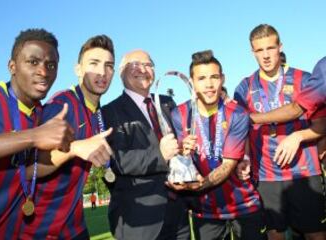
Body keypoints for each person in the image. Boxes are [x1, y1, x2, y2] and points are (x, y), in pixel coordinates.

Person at [0, 29, 75, 239]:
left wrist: (72, 150)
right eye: (33, 62)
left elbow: (27, 171)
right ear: (12, 67)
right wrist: (34, 136)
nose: (43, 71)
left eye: (51, 65)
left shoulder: (39, 113)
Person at [234, 24, 326, 239]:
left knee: (316, 234)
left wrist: (300, 137)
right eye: (259, 50)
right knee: (275, 235)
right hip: (266, 176)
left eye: (270, 48)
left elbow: (322, 125)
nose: (266, 56)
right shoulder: (244, 87)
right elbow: (240, 132)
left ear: (280, 47)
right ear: (252, 52)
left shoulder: (304, 79)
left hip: (304, 172)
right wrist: (245, 157)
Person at [20, 35, 114, 239]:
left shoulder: (98, 114)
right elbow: (27, 170)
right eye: (94, 63)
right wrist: (74, 148)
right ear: (78, 69)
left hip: (76, 226)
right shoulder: (61, 106)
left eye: (108, 65)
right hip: (39, 228)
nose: (102, 72)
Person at [168, 50, 266, 240]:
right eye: (202, 78)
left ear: (222, 78)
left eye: (214, 77)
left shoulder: (237, 114)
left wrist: (199, 185)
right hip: (205, 210)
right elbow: (180, 158)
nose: (209, 84)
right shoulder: (178, 114)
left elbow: (229, 165)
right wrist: (181, 152)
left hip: (243, 205)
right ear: (192, 82)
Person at [101, 50, 190, 240]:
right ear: (121, 72)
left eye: (148, 65)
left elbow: (181, 140)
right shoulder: (109, 112)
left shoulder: (168, 103)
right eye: (135, 64)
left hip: (179, 213)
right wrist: (160, 153)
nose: (143, 69)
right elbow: (117, 160)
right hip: (140, 220)